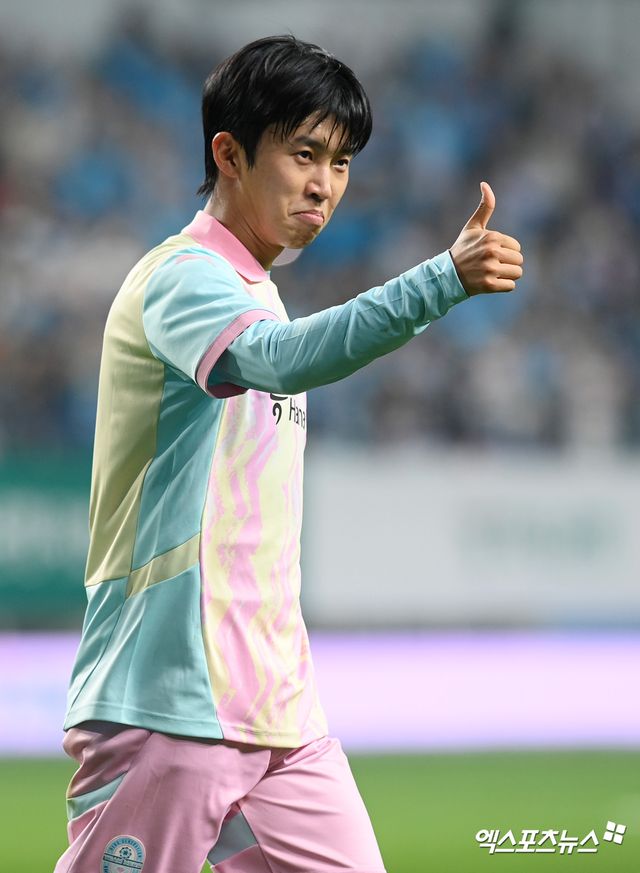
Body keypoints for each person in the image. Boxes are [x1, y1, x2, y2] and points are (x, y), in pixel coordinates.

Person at [54, 34, 523, 873]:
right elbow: (284, 358)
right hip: (169, 700)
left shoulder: (256, 293)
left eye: (341, 162)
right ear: (229, 154)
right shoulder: (182, 278)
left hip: (279, 710)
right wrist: (441, 280)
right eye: (304, 154)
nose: (325, 184)